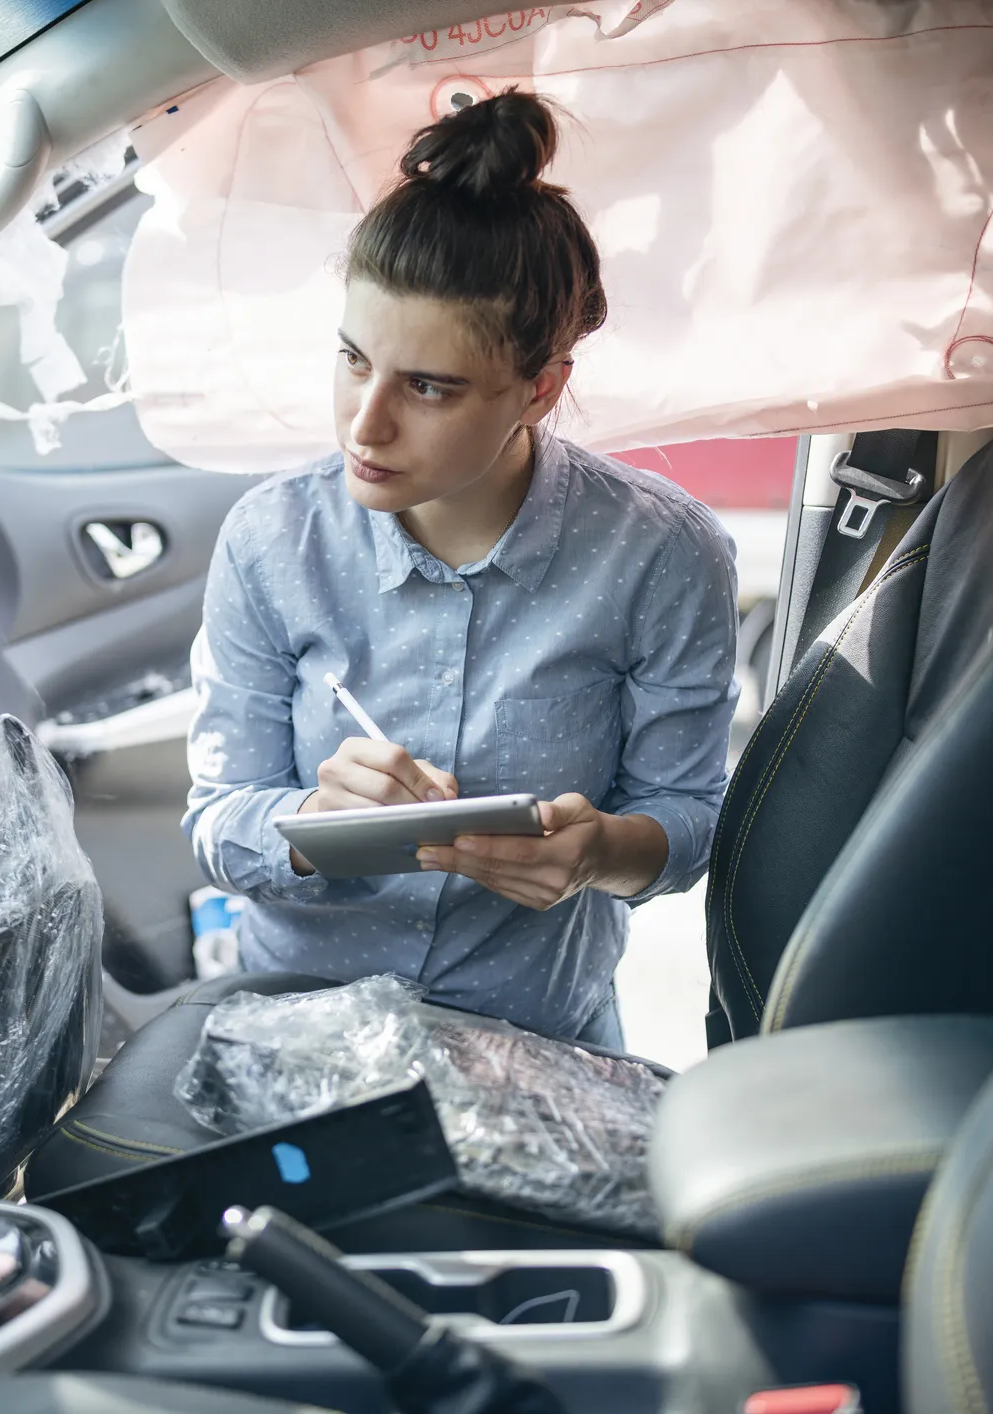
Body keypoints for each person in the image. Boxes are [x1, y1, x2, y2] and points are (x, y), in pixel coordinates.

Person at [182, 90, 738, 1049]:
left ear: (540, 386)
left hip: (536, 1040)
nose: (366, 425)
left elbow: (688, 817)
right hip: (300, 1033)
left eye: (427, 387)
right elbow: (215, 821)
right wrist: (315, 817)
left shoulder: (661, 554)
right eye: (353, 360)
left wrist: (599, 854)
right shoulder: (272, 540)